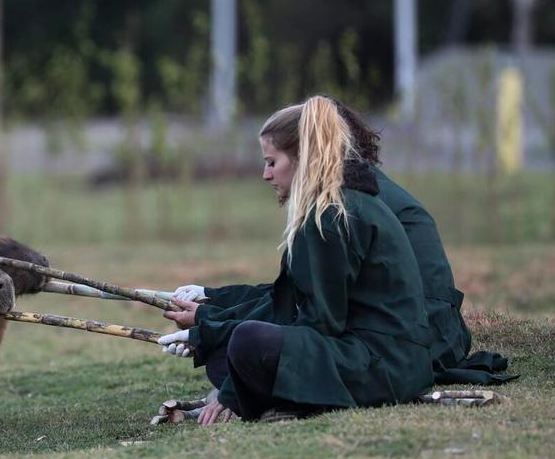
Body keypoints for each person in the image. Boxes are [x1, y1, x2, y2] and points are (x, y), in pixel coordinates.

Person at [164, 97, 515, 421]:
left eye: (272, 162)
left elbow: (319, 321)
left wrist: (230, 392)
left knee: (247, 344)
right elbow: (289, 302)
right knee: (234, 350)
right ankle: (277, 394)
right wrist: (212, 323)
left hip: (383, 367)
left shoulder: (329, 217)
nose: (266, 174)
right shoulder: (343, 203)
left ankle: (285, 400)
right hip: (395, 360)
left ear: (301, 158)